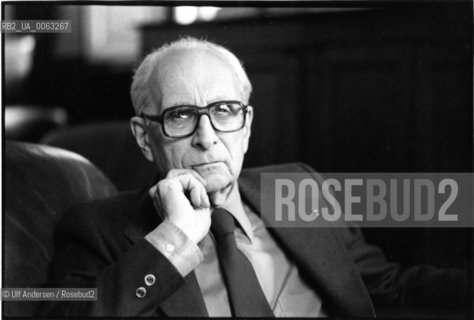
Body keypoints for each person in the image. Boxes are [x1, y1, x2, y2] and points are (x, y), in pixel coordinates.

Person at [39, 37, 467, 317]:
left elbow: (387, 289)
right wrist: (172, 241)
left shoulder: (299, 188)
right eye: (181, 115)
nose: (206, 138)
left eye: (224, 112)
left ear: (245, 127)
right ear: (145, 136)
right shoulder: (97, 228)